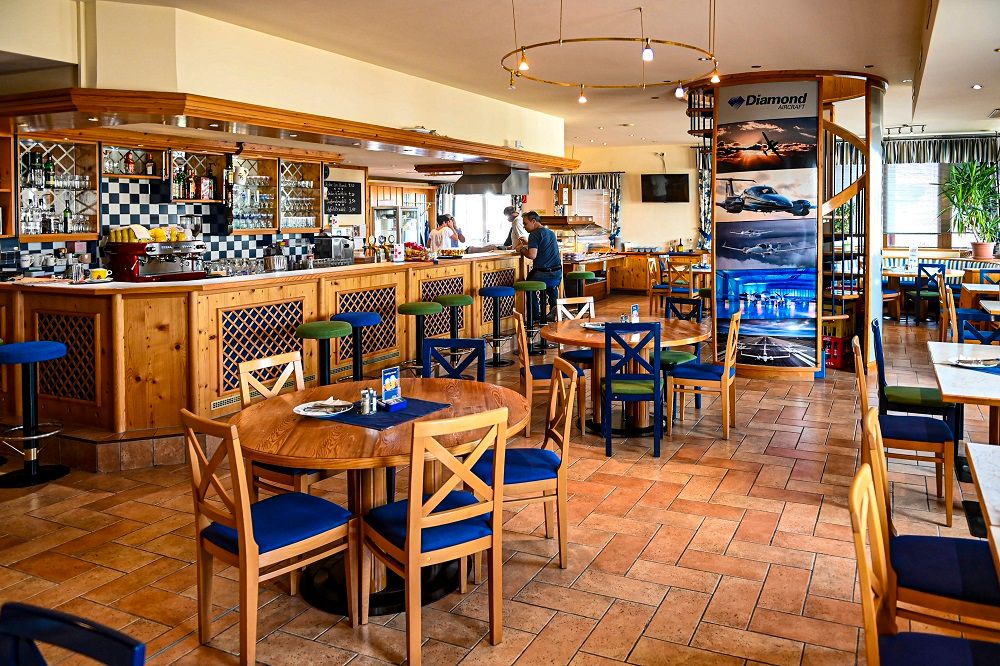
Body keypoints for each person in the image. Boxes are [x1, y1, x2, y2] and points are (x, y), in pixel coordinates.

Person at [517, 211, 562, 322]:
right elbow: (542, 246)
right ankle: (554, 311)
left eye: (525, 224)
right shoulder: (550, 232)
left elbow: (532, 255)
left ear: (533, 221)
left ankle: (535, 316)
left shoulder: (534, 234)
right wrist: (529, 243)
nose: (524, 227)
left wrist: (522, 249)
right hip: (557, 273)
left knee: (529, 284)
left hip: (544, 273)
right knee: (551, 287)